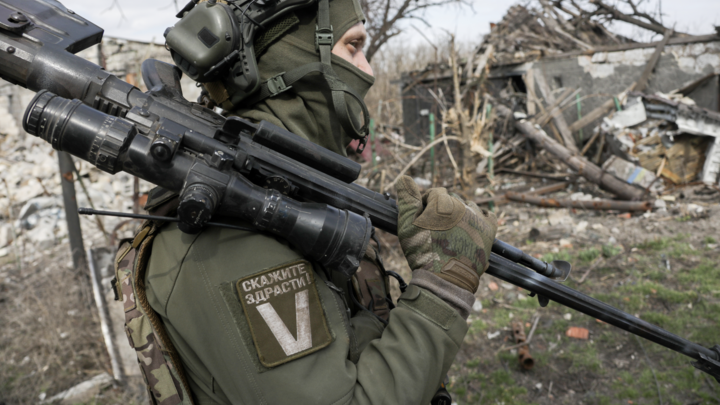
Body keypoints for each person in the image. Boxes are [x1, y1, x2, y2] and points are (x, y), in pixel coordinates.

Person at [115, 0, 498, 403]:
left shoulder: (288, 195)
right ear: (290, 61)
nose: (367, 69)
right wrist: (442, 290)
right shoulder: (234, 232)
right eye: (352, 47)